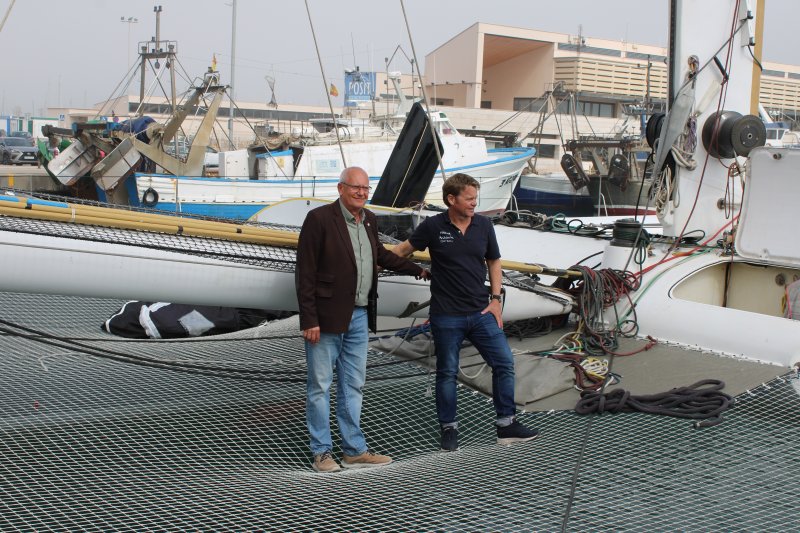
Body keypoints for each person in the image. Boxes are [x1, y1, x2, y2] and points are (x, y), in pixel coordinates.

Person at [296, 166, 430, 472]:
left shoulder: (368, 218)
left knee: (353, 384)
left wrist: (416, 270)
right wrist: (309, 320)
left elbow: (380, 254)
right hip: (326, 317)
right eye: (355, 187)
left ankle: (354, 450)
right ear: (341, 188)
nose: (361, 193)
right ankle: (321, 453)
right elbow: (305, 272)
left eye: (365, 188)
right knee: (320, 386)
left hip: (359, 315)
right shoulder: (319, 219)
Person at [392, 173, 538, 451]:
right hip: (446, 315)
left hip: (481, 311)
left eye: (475, 198)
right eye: (469, 199)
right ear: (451, 199)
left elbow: (494, 261)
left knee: (504, 363)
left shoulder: (483, 225)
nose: (474, 203)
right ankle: (449, 428)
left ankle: (506, 425)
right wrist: (371, 266)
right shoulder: (433, 226)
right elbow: (403, 250)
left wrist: (496, 299)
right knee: (447, 372)